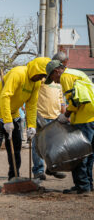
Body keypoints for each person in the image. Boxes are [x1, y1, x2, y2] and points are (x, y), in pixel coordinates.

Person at [0, 57, 51, 191]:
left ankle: (13, 177)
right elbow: (4, 97)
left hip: (14, 113)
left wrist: (31, 126)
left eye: (44, 76)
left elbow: (31, 105)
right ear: (35, 69)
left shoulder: (36, 83)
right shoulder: (18, 73)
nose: (41, 78)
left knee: (16, 147)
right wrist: (7, 121)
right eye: (41, 74)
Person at [45, 60, 94, 194]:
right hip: (91, 117)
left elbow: (74, 101)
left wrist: (65, 114)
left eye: (52, 78)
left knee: (79, 153)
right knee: (89, 153)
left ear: (56, 71)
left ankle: (82, 186)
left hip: (84, 118)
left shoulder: (66, 76)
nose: (55, 81)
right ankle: (88, 183)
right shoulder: (76, 73)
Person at [32, 54, 68, 180]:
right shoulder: (43, 78)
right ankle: (38, 170)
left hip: (55, 116)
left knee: (55, 145)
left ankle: (52, 168)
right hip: (40, 115)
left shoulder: (59, 81)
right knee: (38, 145)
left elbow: (61, 99)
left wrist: (64, 115)